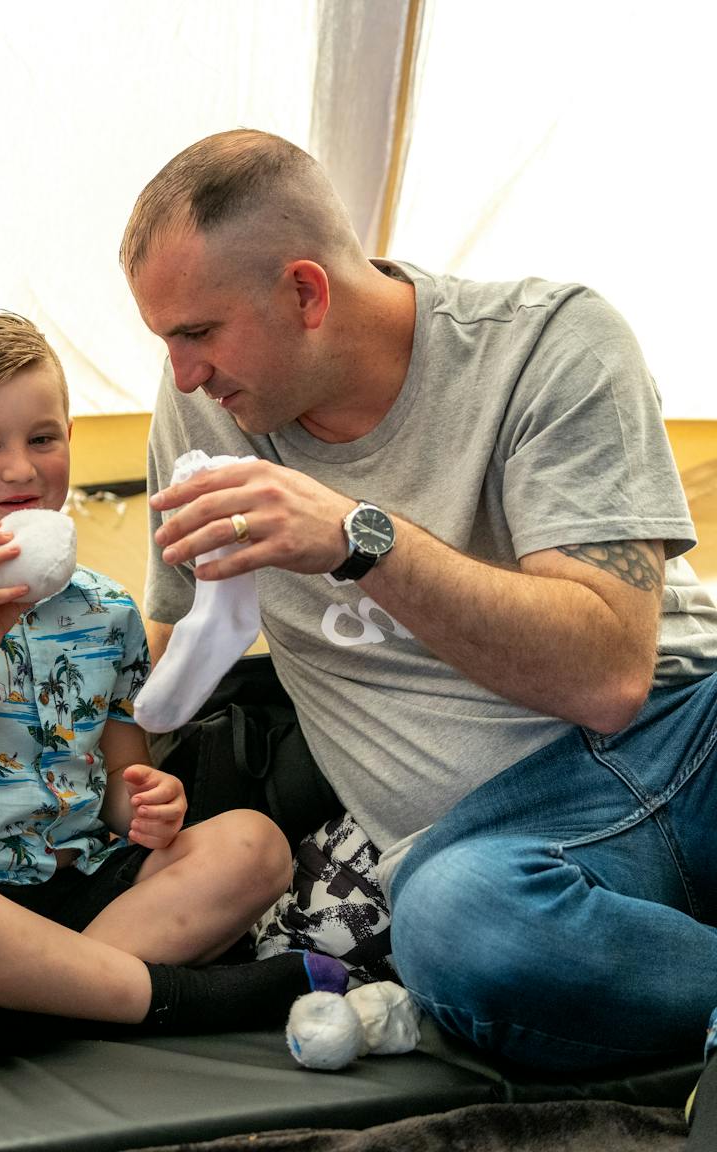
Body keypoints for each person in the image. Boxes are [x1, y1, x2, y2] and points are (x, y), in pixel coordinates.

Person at [122, 128, 717, 1077]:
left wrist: (362, 540)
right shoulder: (205, 408)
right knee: (456, 927)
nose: (183, 371)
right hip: (498, 843)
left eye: (198, 332)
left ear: (307, 292)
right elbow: (167, 643)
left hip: (687, 738)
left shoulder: (550, 342)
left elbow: (610, 676)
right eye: (165, 341)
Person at [0, 311, 347, 1075]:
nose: (21, 469)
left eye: (43, 438)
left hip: (81, 890)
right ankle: (187, 999)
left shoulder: (105, 610)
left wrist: (146, 802)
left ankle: (16, 1012)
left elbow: (117, 785)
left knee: (254, 846)